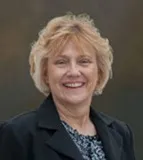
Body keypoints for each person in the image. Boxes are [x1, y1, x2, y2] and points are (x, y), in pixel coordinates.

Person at [0, 13, 135, 160]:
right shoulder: (17, 134)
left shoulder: (120, 133)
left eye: (84, 61)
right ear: (45, 73)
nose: (73, 72)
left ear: (99, 70)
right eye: (61, 62)